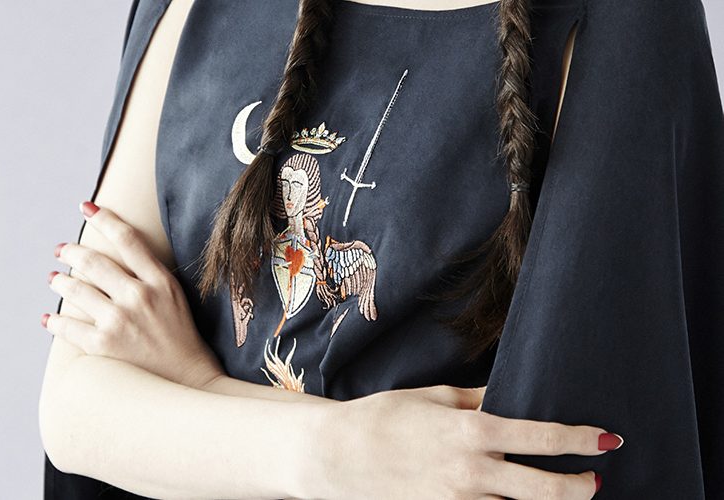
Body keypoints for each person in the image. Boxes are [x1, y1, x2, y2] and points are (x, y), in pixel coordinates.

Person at [38, 0, 723, 499]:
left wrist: (193, 399)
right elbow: (75, 411)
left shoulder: (625, 24)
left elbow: (537, 469)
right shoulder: (192, 9)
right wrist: (339, 451)